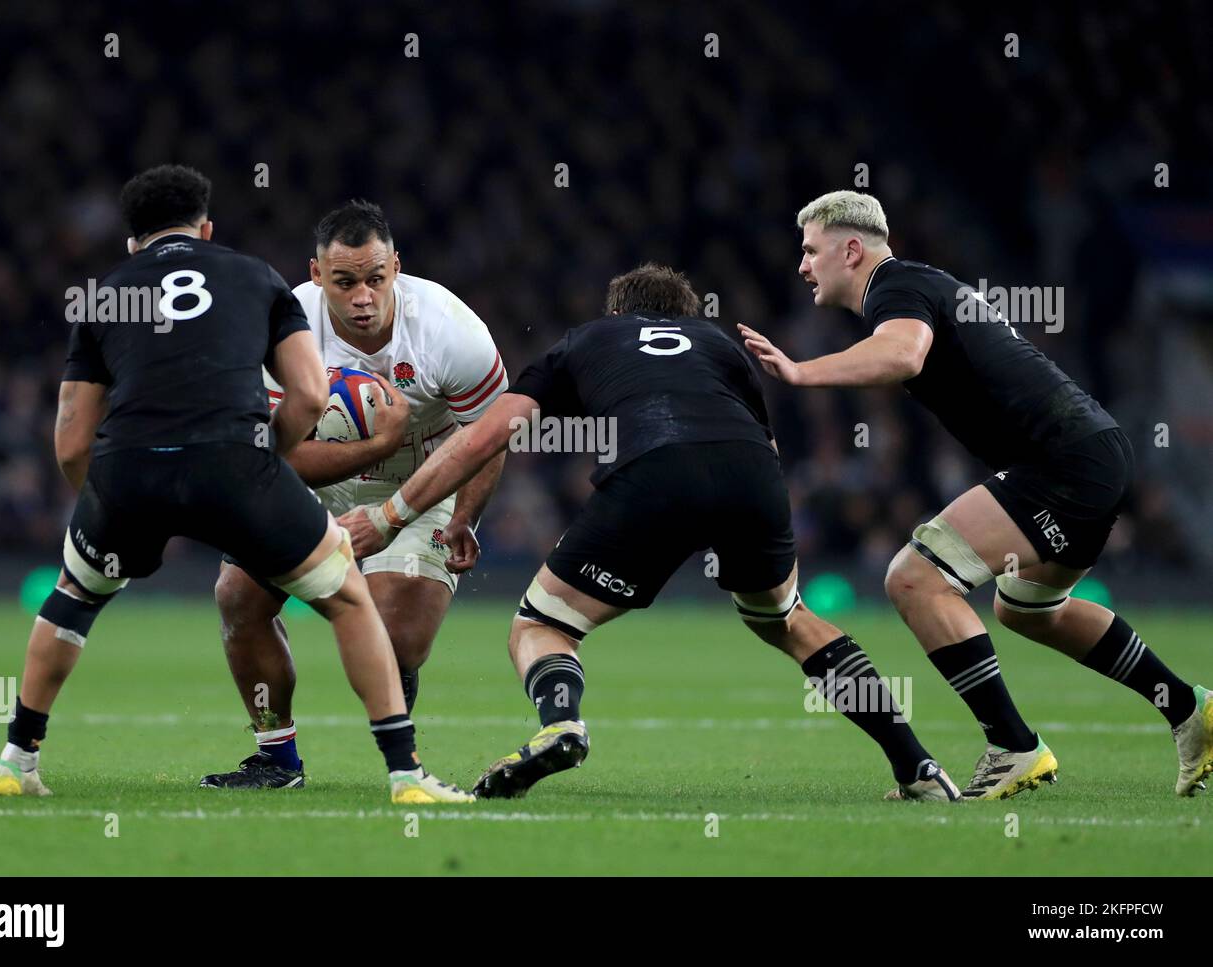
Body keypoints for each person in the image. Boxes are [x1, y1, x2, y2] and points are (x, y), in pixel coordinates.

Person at [346, 263, 963, 801]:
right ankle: (916, 764)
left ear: (618, 312)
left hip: (656, 474)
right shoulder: (721, 347)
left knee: (544, 624)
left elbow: (485, 434)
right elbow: (764, 443)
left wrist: (392, 514)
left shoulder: (588, 339)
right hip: (752, 473)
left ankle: (561, 723)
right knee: (789, 620)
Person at [0, 166, 471, 804]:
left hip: (128, 468)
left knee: (72, 598)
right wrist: (264, 458)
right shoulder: (255, 277)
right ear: (208, 228)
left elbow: (71, 438)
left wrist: (104, 504)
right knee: (348, 598)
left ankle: (15, 761)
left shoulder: (102, 295)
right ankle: (406, 775)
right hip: (234, 464)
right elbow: (308, 395)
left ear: (132, 242)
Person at [740, 189, 1211, 798]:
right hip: (1089, 452)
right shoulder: (921, 285)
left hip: (1059, 462)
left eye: (810, 250)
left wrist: (804, 372)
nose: (802, 265)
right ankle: (1188, 708)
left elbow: (904, 354)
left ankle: (1014, 746)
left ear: (851, 250)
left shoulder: (895, 283)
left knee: (914, 578)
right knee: (1029, 608)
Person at [199, 200, 506, 789]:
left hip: (425, 481)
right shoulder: (282, 328)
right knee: (237, 596)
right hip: (315, 481)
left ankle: (390, 683)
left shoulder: (449, 329)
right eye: (345, 282)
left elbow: (491, 434)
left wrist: (464, 515)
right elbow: (272, 452)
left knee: (398, 641)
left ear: (396, 267)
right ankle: (276, 759)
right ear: (317, 276)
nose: (363, 297)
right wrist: (378, 442)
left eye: (375, 279)